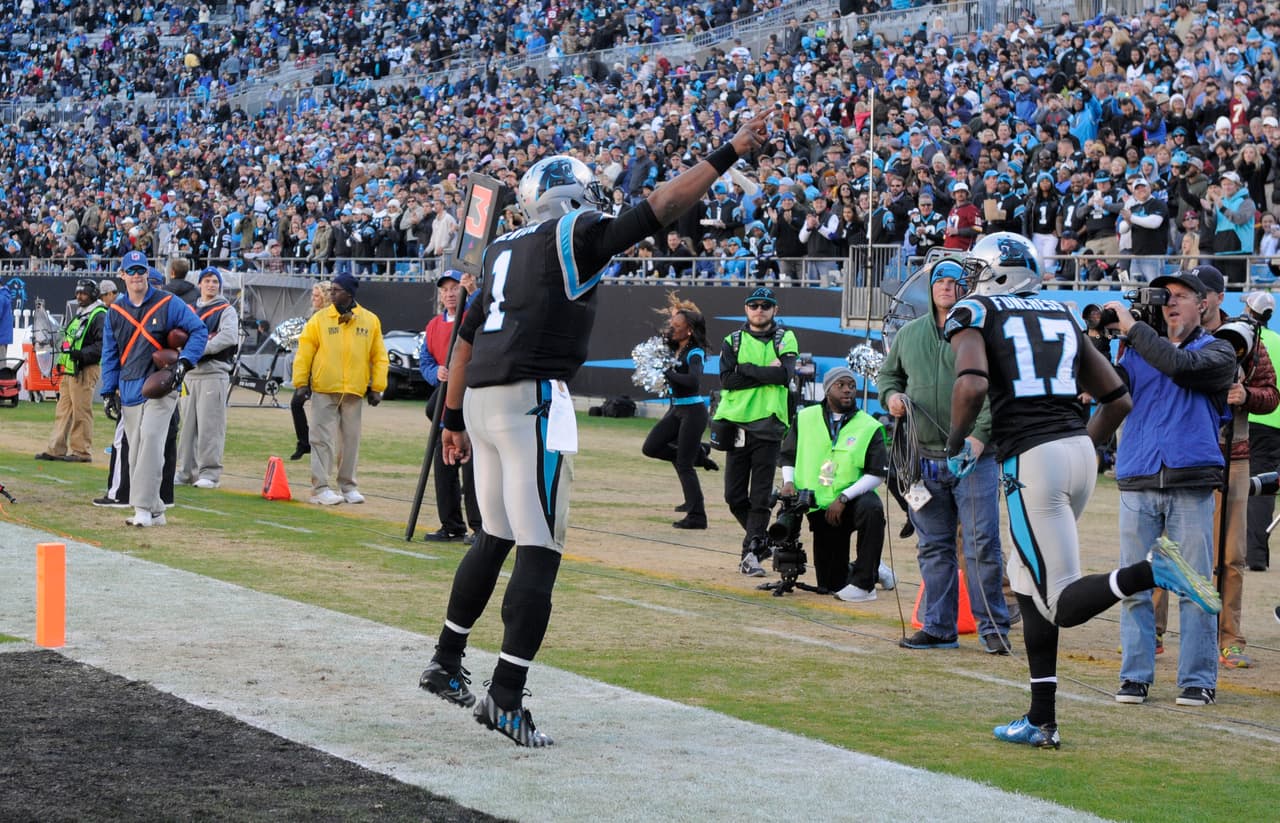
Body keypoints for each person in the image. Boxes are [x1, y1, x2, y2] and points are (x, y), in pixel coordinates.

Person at [419, 113, 770, 747]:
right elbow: (658, 207)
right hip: (530, 399)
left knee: (495, 534)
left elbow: (465, 340)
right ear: (578, 198)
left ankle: (447, 660)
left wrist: (450, 416)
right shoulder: (574, 232)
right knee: (540, 545)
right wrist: (726, 154)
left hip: (482, 403)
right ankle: (505, 695)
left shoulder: (501, 247)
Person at [946, 233, 1221, 748]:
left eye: (977, 268)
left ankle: (1152, 570)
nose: (970, 279)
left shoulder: (976, 311)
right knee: (1026, 585)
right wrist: (1082, 451)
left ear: (996, 273)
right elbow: (1116, 399)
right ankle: (1041, 718)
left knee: (1060, 601)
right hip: (1075, 452)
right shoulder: (1063, 312)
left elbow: (973, 385)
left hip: (1032, 459)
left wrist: (952, 442)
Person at [1104, 269, 1237, 708]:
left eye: (1181, 295)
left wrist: (1134, 328)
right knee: (1132, 585)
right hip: (1139, 478)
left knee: (1195, 586)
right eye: (1166, 296)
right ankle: (1135, 674)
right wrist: (1093, 337)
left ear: (1204, 305)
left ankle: (1198, 678)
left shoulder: (1218, 350)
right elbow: (1099, 388)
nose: (1171, 302)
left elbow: (1179, 366)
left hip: (1188, 481)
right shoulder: (1136, 351)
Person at [878, 259, 1012, 654]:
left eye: (955, 282)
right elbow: (889, 377)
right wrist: (892, 397)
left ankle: (993, 628)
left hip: (974, 459)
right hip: (922, 458)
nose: (946, 287)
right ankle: (939, 628)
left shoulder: (981, 336)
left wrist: (979, 437)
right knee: (932, 546)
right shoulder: (909, 334)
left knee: (981, 543)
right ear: (930, 288)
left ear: (964, 289)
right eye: (940, 281)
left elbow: (994, 393)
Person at [1149, 266, 1275, 671]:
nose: (1187, 301)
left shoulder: (1247, 337)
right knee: (1162, 548)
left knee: (1232, 554)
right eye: (1183, 293)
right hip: (1176, 455)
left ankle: (1230, 638)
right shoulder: (1166, 334)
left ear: (1216, 298)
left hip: (1230, 455)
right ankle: (1152, 632)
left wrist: (1246, 394)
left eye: (1197, 294)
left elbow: (1271, 395)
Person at [99, 251, 208, 528]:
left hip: (162, 384)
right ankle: (157, 509)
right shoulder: (115, 311)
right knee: (135, 451)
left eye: (141, 270)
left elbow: (198, 331)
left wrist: (184, 362)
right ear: (122, 275)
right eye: (131, 271)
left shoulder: (168, 302)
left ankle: (143, 509)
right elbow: (110, 353)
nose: (137, 276)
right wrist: (108, 391)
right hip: (130, 386)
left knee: (150, 440)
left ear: (148, 273)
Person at [779, 366, 888, 600]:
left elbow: (877, 473)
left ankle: (865, 584)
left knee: (873, 510)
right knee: (830, 584)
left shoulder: (869, 426)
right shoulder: (805, 418)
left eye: (852, 386)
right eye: (841, 386)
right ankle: (872, 568)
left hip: (852, 500)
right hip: (820, 506)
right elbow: (788, 455)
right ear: (828, 390)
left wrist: (844, 497)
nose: (848, 390)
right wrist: (788, 482)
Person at [713, 286, 799, 577]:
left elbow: (784, 375)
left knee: (759, 497)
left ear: (775, 310)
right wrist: (764, 372)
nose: (759, 309)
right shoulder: (732, 340)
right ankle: (760, 541)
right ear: (746, 309)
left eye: (765, 305)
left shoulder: (784, 337)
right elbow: (727, 380)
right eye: (754, 305)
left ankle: (750, 554)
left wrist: (746, 369)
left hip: (769, 426)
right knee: (734, 496)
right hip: (737, 424)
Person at [291, 272, 388, 506]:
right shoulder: (320, 319)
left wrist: (377, 386)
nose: (331, 293)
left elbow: (379, 356)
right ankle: (321, 488)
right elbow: (304, 352)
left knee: (351, 441)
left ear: (350, 293)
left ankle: (348, 486)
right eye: (331, 289)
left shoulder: (370, 320)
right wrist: (301, 383)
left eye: (336, 290)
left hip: (354, 390)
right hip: (325, 388)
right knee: (321, 439)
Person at [641, 293, 718, 530]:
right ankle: (697, 454)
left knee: (683, 464)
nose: (671, 329)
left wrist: (667, 373)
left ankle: (697, 516)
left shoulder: (694, 353)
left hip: (693, 412)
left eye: (677, 326)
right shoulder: (675, 348)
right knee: (651, 447)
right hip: (677, 410)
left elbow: (693, 381)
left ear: (689, 331)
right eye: (671, 325)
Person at [419, 269, 481, 543]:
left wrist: (475, 292)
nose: (449, 293)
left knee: (474, 473)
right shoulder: (434, 325)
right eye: (444, 289)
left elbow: (488, 316)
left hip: (471, 403)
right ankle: (452, 525)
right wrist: (437, 374)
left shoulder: (473, 317)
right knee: (444, 470)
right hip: (444, 408)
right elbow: (426, 362)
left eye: (455, 287)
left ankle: (480, 528)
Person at [176, 267, 239, 489]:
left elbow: (228, 337)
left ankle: (210, 473)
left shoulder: (226, 309)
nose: (211, 285)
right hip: (190, 374)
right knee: (188, 427)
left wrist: (198, 349)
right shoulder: (190, 308)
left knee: (210, 426)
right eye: (207, 281)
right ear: (200, 284)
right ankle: (185, 471)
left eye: (215, 281)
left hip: (213, 372)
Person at [36, 279, 107, 463]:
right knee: (63, 411)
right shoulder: (81, 314)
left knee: (81, 411)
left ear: (93, 294)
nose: (79, 296)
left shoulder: (99, 315)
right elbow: (67, 340)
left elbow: (102, 345)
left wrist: (80, 355)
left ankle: (81, 451)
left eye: (83, 293)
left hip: (84, 369)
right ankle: (56, 449)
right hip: (70, 370)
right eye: (77, 293)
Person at [1246, 290, 1280, 572]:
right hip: (1273, 423)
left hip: (1245, 416)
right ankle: (1256, 556)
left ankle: (1225, 547)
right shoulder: (1278, 342)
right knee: (1262, 489)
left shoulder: (1242, 339)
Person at [289, 281, 333, 461]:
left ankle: (313, 444)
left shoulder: (327, 317)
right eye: (313, 295)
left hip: (321, 370)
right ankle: (305, 442)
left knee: (320, 412)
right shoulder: (313, 315)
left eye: (316, 296)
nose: (313, 299)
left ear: (325, 298)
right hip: (309, 369)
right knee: (296, 404)